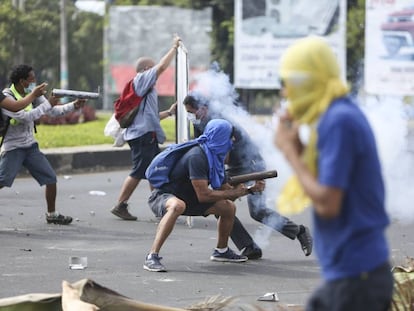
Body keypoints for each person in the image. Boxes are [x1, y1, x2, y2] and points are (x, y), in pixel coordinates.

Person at [274, 36, 393, 311]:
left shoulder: (339, 121)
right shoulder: (336, 116)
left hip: (356, 277)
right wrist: (298, 147)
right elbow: (326, 180)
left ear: (306, 81)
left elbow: (328, 203)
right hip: (353, 273)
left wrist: (289, 153)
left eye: (287, 84)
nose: (284, 93)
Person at [183, 92, 313, 259]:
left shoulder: (222, 123)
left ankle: (299, 231)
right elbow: (201, 149)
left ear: (203, 108)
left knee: (256, 211)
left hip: (251, 164)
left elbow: (224, 154)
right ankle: (248, 246)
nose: (190, 115)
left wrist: (209, 176)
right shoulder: (199, 122)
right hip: (234, 166)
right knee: (222, 206)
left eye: (192, 111)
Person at [143, 119, 265, 272]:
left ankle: (221, 251)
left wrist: (250, 189)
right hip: (164, 196)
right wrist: (233, 192)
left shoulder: (215, 158)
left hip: (190, 198)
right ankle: (152, 256)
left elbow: (224, 191)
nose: (232, 142)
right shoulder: (197, 157)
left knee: (228, 208)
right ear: (221, 137)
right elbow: (204, 195)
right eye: (229, 137)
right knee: (177, 206)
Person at [0, 64, 86, 225]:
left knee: (50, 178)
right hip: (13, 147)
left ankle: (52, 214)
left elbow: (52, 112)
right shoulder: (8, 96)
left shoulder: (33, 94)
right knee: (3, 180)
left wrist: (73, 105)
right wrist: (47, 102)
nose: (35, 82)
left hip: (30, 146)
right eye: (32, 79)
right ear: (22, 81)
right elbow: (25, 117)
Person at [110, 35, 180, 221]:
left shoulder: (144, 87)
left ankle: (159, 206)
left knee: (153, 170)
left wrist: (169, 113)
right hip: (142, 136)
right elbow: (162, 67)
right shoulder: (142, 79)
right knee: (139, 170)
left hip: (144, 134)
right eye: (152, 67)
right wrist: (174, 48)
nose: (155, 71)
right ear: (147, 69)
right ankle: (120, 204)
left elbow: (149, 116)